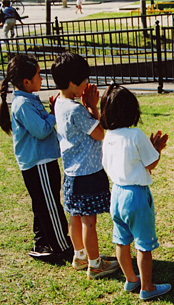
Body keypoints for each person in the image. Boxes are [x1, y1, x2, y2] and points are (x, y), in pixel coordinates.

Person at [51, 52, 119, 279]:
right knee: (89, 223)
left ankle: (80, 256)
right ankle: (95, 264)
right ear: (72, 82)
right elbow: (99, 134)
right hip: (87, 174)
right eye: (83, 81)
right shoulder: (76, 110)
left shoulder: (60, 103)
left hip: (71, 173)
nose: (87, 85)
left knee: (75, 216)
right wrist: (92, 107)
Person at [101, 84, 171, 300]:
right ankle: (147, 287)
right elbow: (151, 164)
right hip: (137, 197)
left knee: (121, 240)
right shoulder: (136, 135)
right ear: (133, 111)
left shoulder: (109, 136)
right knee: (144, 244)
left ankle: (131, 279)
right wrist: (156, 148)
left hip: (117, 194)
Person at [0, 54, 73, 261]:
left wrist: (49, 112)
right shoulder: (22, 104)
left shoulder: (28, 99)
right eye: (39, 75)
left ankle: (42, 243)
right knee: (50, 206)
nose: (42, 78)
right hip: (38, 164)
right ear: (26, 81)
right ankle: (61, 247)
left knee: (42, 204)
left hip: (41, 161)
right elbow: (41, 130)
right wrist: (53, 114)